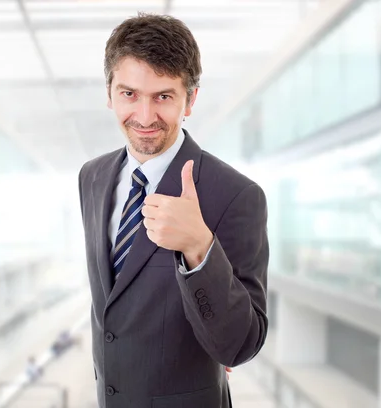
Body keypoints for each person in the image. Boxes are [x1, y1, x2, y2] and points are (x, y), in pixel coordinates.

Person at [77, 13, 269, 408]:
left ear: (190, 99)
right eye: (129, 94)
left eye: (163, 96)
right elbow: (116, 305)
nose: (145, 117)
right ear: (109, 92)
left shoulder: (235, 195)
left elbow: (240, 345)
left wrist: (200, 248)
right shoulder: (91, 177)